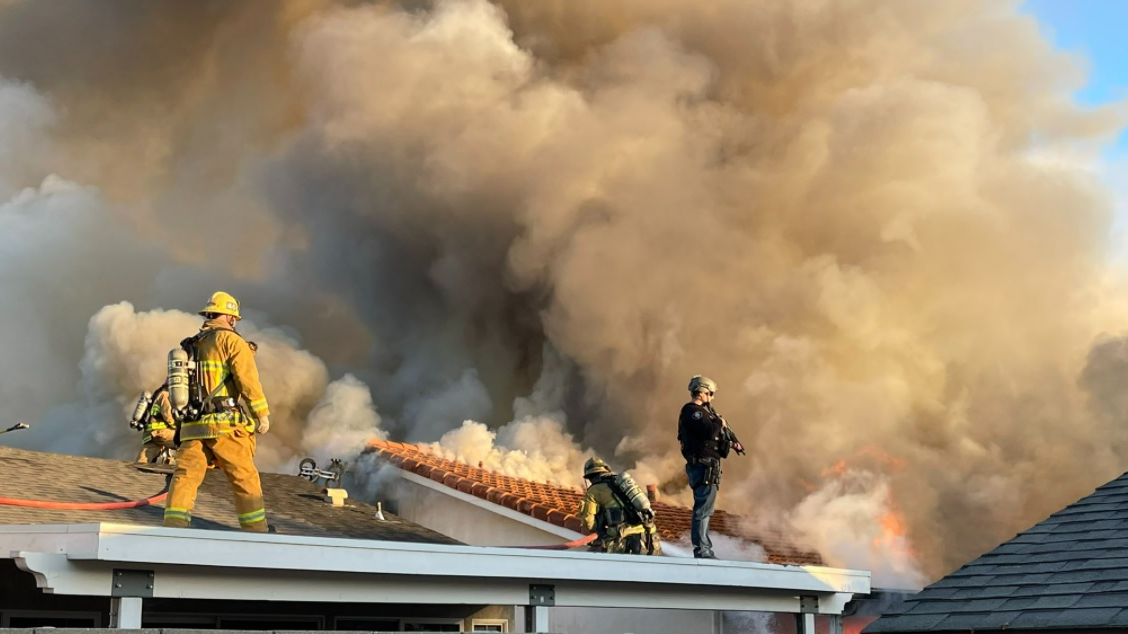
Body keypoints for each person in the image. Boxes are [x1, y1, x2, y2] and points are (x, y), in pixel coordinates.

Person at [163, 291, 272, 532]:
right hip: (224, 426)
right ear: (231, 318)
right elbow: (248, 381)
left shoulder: (193, 344)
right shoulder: (233, 342)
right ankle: (257, 533)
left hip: (192, 427)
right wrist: (261, 414)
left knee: (185, 478)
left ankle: (173, 527)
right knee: (245, 478)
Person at [677, 375, 743, 559]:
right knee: (703, 510)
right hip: (703, 467)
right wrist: (719, 423)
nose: (712, 398)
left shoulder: (704, 413)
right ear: (702, 392)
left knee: (706, 509)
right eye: (711, 393)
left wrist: (732, 443)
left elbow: (713, 439)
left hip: (709, 466)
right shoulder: (693, 411)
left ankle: (704, 548)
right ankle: (703, 551)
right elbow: (708, 432)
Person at [576, 457, 660, 555]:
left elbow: (588, 522)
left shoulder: (594, 490)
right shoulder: (621, 484)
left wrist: (600, 529)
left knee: (592, 557)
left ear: (589, 477)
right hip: (650, 537)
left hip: (625, 540)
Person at [136, 383, 177, 464]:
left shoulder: (157, 394)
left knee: (141, 463)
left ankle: (137, 473)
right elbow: (168, 416)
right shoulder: (165, 394)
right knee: (186, 440)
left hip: (151, 434)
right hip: (161, 432)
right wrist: (178, 426)